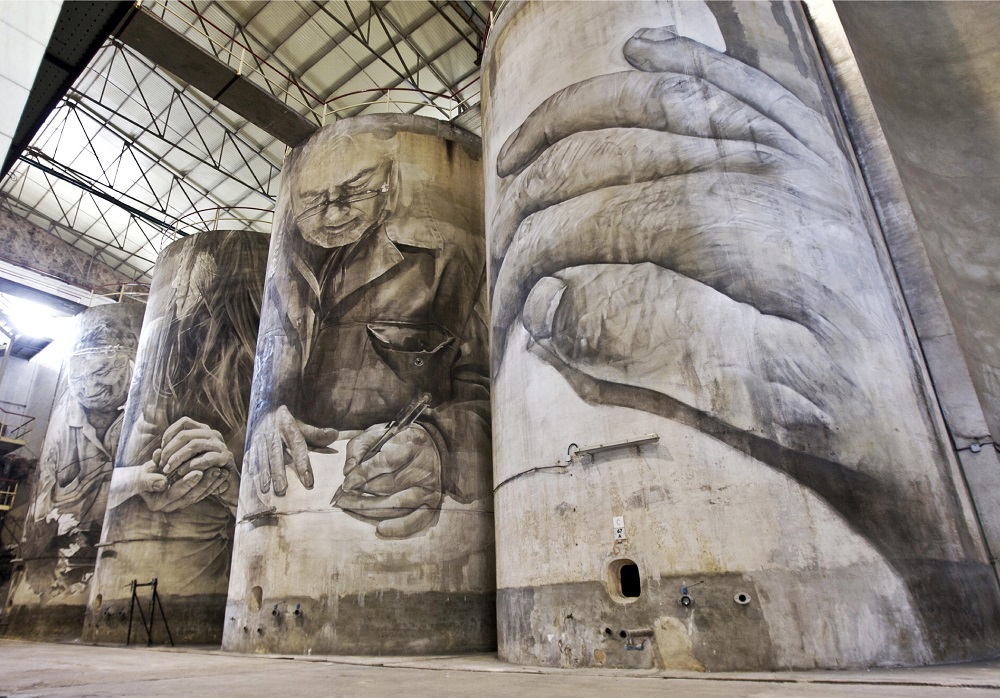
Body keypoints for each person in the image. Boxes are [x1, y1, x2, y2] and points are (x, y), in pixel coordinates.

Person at [245, 125, 490, 539]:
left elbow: (496, 393)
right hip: (283, 514)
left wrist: (441, 446)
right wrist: (265, 415)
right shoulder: (281, 262)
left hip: (401, 515)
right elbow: (254, 389)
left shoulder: (454, 254)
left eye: (354, 189)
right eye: (312, 200)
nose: (332, 215)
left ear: (389, 172)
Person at [25, 312, 138, 598]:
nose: (89, 388)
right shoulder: (61, 428)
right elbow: (41, 517)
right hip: (71, 556)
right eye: (78, 377)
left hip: (133, 552)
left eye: (101, 373)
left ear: (130, 358)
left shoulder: (158, 395)